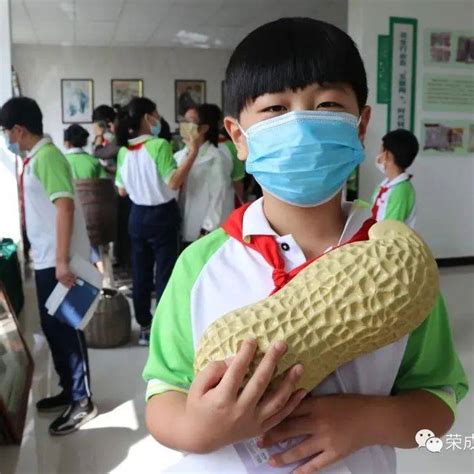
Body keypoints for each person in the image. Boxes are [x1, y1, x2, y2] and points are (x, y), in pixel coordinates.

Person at [143, 18, 468, 473]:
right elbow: (164, 396)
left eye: (328, 103)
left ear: (360, 126)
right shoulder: (200, 265)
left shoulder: (403, 265)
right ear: (239, 136)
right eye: (275, 109)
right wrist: (201, 428)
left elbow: (439, 405)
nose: (301, 123)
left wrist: (367, 420)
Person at [0, 97, 97, 435]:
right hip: (46, 259)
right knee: (53, 327)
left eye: (5, 132)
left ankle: (83, 401)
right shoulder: (36, 158)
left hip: (60, 262)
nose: (5, 138)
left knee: (68, 328)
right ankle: (69, 390)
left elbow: (65, 208)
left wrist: (60, 261)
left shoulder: (48, 157)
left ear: (18, 129)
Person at [115, 97, 198, 346]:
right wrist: (192, 153)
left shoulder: (123, 151)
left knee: (139, 273)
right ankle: (163, 327)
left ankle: (143, 326)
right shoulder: (159, 145)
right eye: (156, 114)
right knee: (164, 273)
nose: (158, 119)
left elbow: (121, 191)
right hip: (162, 216)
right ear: (146, 118)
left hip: (137, 215)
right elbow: (173, 181)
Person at [175, 104, 234, 246]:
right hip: (181, 224)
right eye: (184, 120)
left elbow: (218, 197)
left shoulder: (216, 157)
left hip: (204, 229)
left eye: (190, 121)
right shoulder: (179, 155)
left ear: (204, 128)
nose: (185, 124)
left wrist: (207, 229)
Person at [92, 104, 131, 273]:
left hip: (124, 190)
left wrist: (99, 136)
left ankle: (126, 264)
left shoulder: (119, 138)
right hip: (118, 188)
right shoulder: (115, 137)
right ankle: (122, 261)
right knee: (120, 228)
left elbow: (100, 153)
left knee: (124, 228)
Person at [371, 129, 419, 228]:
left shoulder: (401, 190)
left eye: (381, 150)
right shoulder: (385, 185)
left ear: (387, 154)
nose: (378, 155)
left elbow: (390, 230)